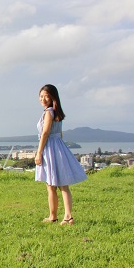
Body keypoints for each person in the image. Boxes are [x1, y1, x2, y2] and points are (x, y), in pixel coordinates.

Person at [35, 84, 87, 225]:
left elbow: (45, 133)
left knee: (51, 184)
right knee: (62, 185)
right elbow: (59, 134)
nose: (43, 99)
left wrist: (39, 152)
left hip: (49, 148)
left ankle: (56, 216)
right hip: (58, 147)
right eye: (41, 96)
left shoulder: (48, 113)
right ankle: (65, 216)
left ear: (53, 97)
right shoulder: (56, 112)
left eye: (46, 96)